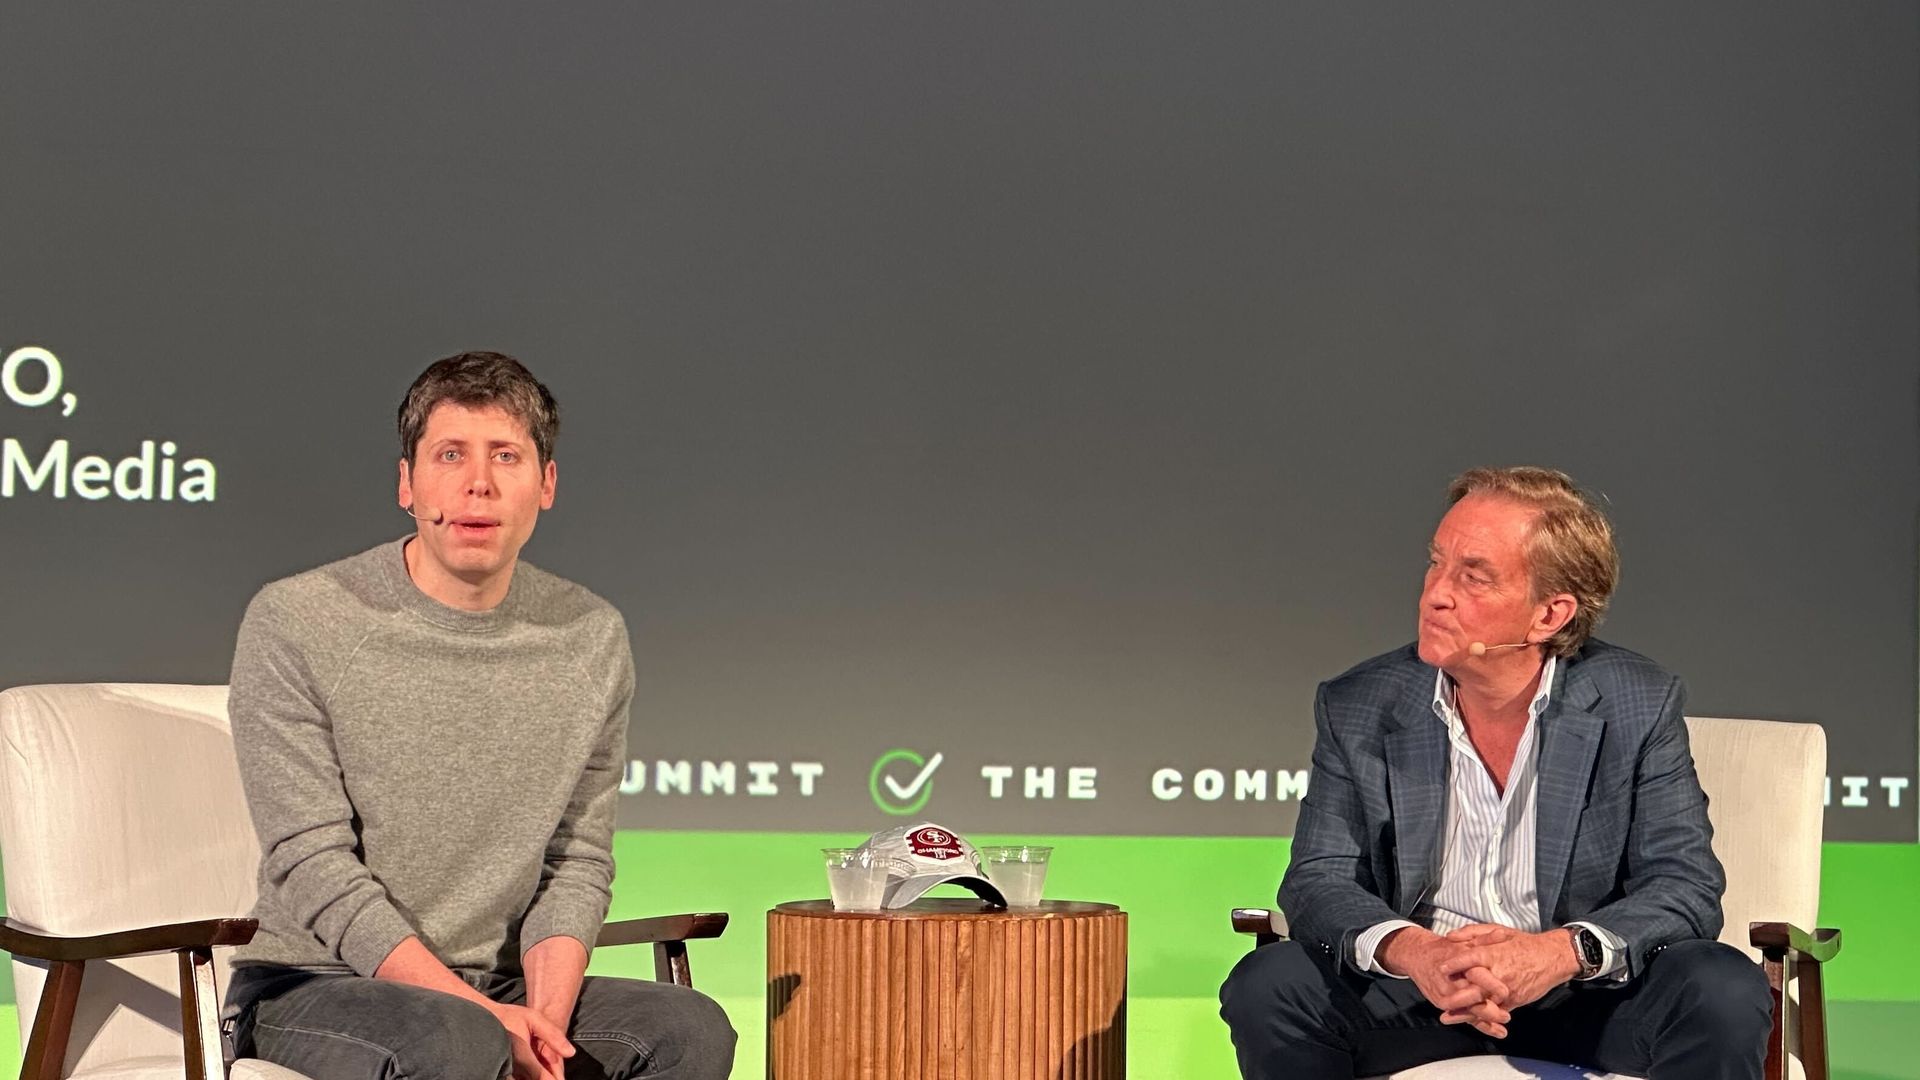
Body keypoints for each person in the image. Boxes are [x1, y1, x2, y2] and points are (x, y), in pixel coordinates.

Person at [223, 352, 736, 1080]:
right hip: (315, 985)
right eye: (450, 454)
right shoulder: (301, 619)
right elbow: (312, 864)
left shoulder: (589, 635)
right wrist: (487, 1020)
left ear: (546, 484)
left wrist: (544, 1027)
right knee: (459, 1042)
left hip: (502, 987)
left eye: (505, 455)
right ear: (407, 483)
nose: (479, 483)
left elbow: (575, 860)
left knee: (688, 1031)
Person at [1220, 466, 1771, 1078]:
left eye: (1473, 576)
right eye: (1436, 563)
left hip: (1585, 999)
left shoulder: (1636, 702)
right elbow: (1318, 878)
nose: (1436, 593)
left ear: (1549, 615)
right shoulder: (1360, 703)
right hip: (1421, 998)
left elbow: (1684, 885)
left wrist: (1557, 954)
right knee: (1270, 984)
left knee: (1721, 989)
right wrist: (1416, 952)